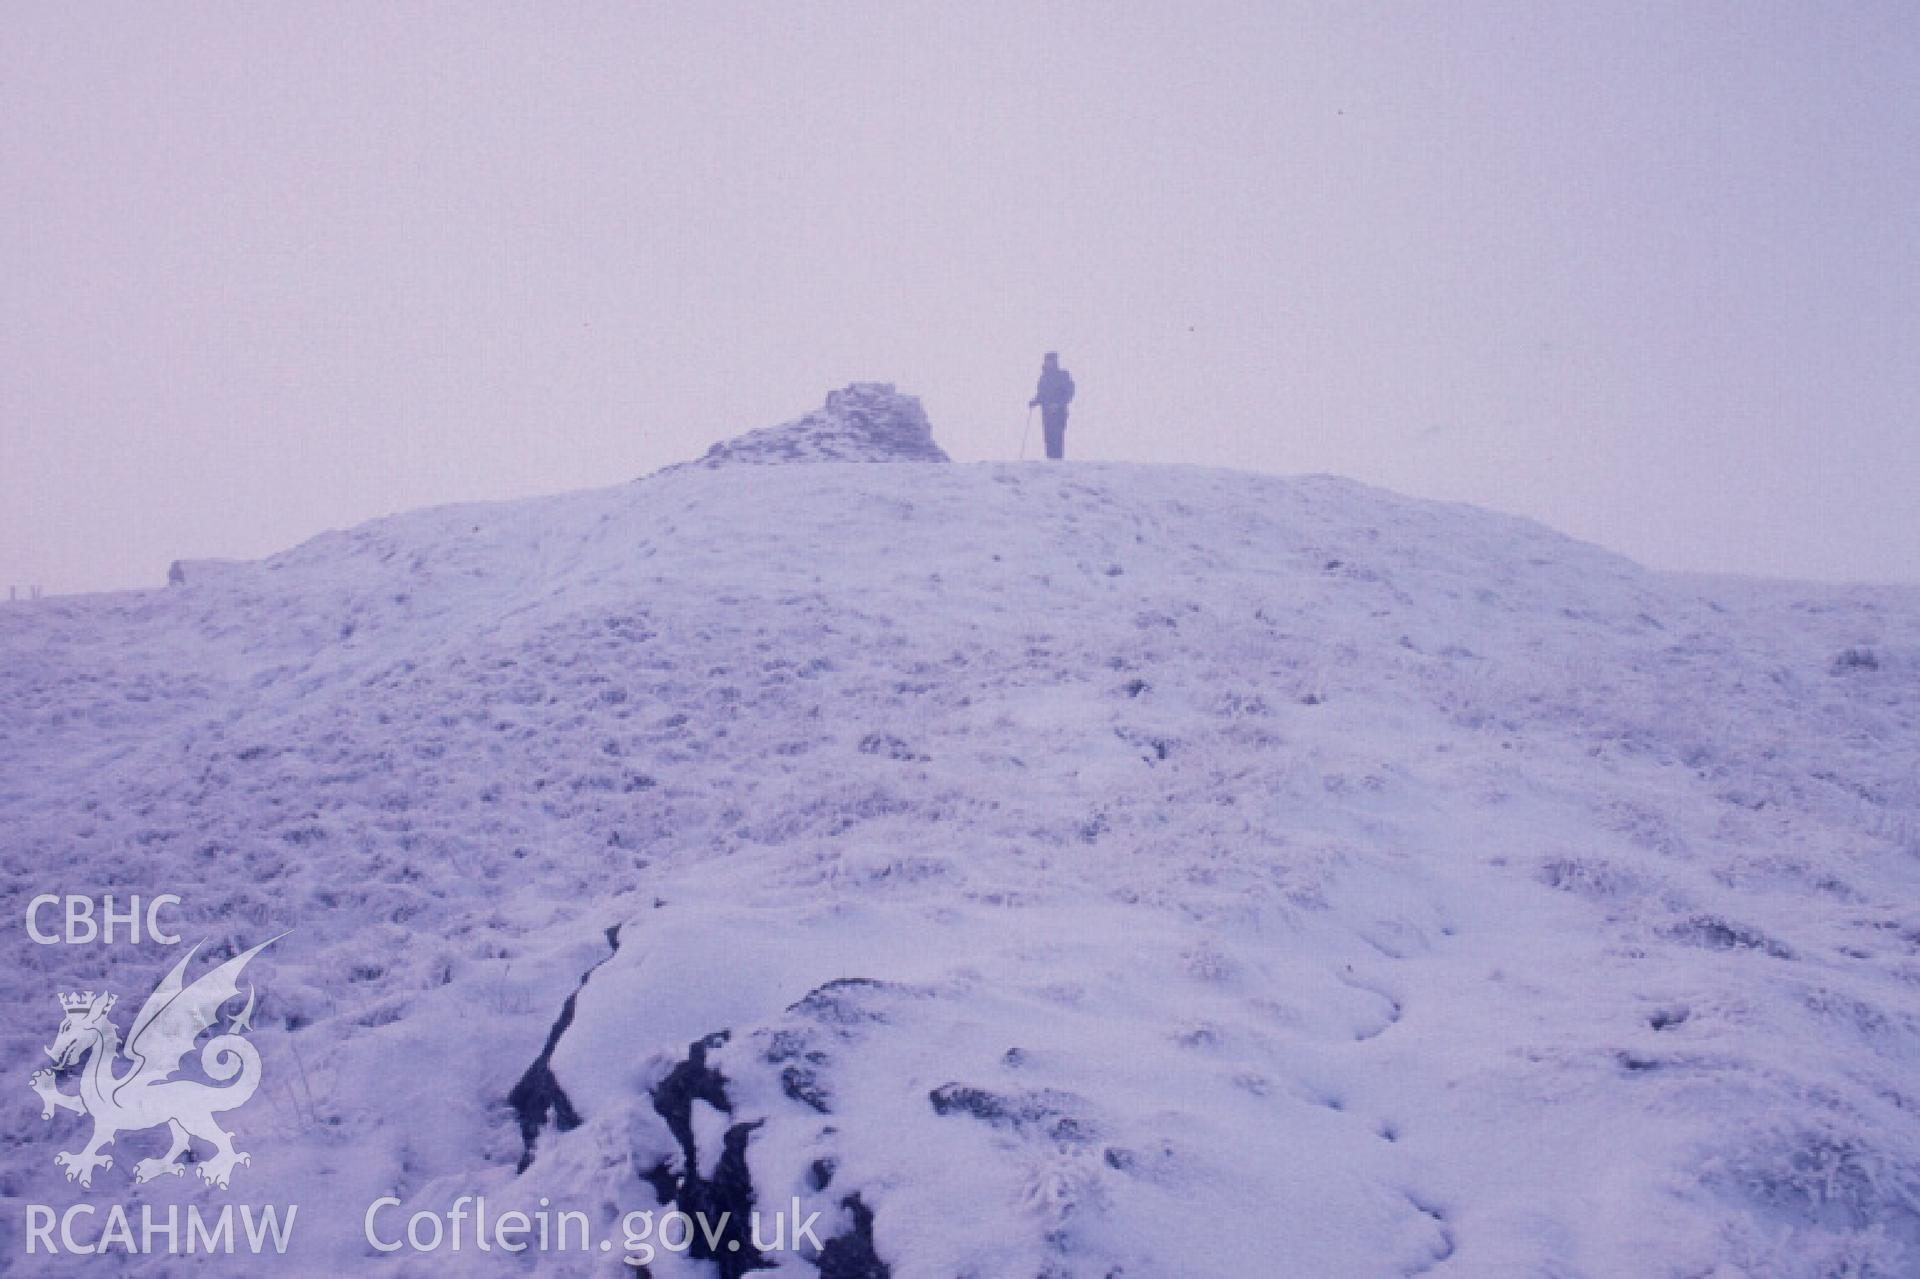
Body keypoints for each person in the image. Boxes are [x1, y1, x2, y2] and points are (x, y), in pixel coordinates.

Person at [1028, 352, 1075, 460]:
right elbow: (1041, 394)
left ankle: (1058, 461)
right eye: (1048, 360)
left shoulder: (1063, 375)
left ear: (1056, 361)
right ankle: (1050, 461)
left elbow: (1069, 392)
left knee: (1057, 437)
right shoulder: (1043, 378)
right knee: (1048, 438)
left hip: (1059, 413)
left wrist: (1058, 404)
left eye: (1052, 360)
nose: (1049, 363)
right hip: (1046, 414)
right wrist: (1034, 401)